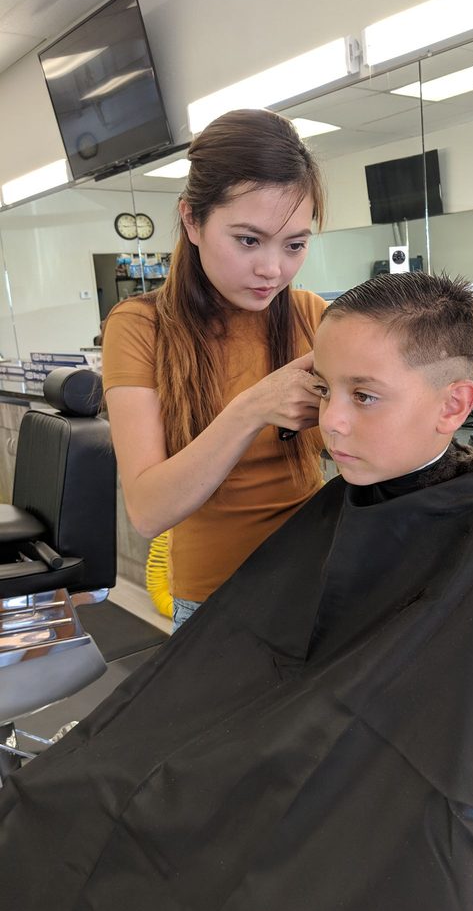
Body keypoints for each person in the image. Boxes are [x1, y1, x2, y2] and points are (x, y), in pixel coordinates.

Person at [0, 273, 473, 911]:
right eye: (325, 390)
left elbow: (471, 772)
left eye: (364, 395)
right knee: (72, 798)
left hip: (409, 829)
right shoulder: (349, 511)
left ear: (455, 404)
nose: (331, 423)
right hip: (295, 762)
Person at [102, 108, 327, 628]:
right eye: (248, 240)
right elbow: (148, 510)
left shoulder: (311, 315)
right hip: (213, 605)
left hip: (316, 581)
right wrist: (253, 408)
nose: (273, 269)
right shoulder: (140, 326)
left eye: (295, 245)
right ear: (192, 221)